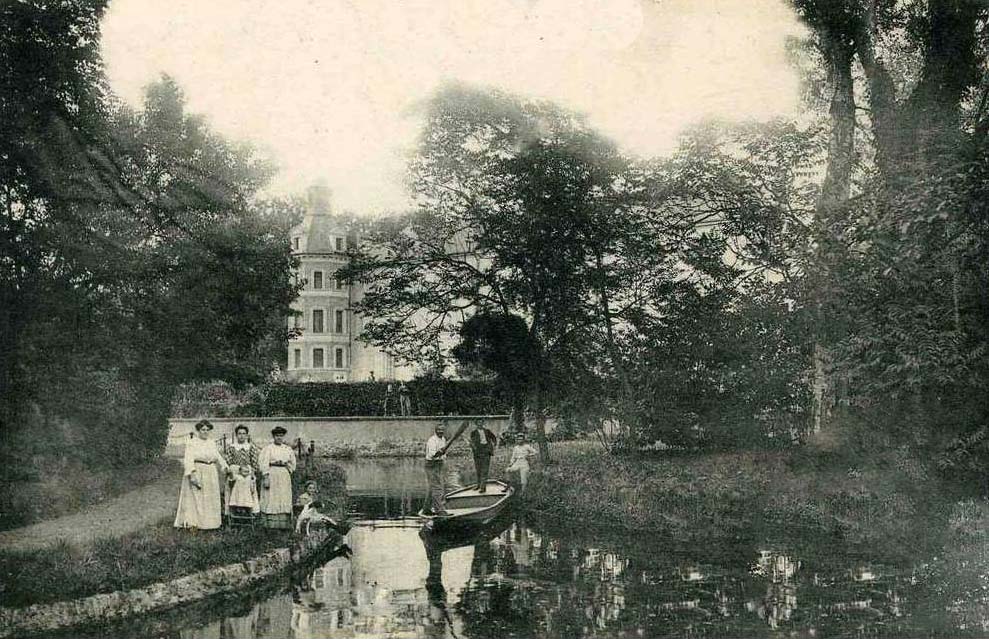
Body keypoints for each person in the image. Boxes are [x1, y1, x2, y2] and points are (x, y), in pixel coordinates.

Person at [174, 419, 230, 530]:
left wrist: (225, 466)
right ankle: (195, 523)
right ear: (198, 430)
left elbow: (218, 456)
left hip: (210, 471)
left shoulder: (211, 442)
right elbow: (188, 459)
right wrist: (192, 473)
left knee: (210, 497)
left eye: (207, 430)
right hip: (198, 470)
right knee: (197, 498)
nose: (205, 432)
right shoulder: (192, 442)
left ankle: (211, 524)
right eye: (202, 430)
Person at [259, 426, 297, 529]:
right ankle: (270, 523)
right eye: (277, 436)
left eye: (281, 436)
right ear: (273, 437)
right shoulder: (268, 449)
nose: (279, 438)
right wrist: (266, 476)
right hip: (272, 473)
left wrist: (288, 469)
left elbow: (293, 463)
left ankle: (284, 524)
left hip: (284, 474)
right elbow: (263, 463)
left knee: (283, 495)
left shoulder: (287, 449)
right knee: (271, 496)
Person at [224, 424, 260, 520]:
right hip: (234, 471)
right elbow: (227, 462)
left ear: (247, 435)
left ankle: (249, 511)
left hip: (248, 472)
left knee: (249, 484)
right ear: (236, 435)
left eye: (244, 433)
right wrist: (233, 471)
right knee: (234, 484)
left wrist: (251, 472)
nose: (242, 436)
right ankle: (232, 511)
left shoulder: (251, 447)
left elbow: (255, 463)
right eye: (239, 433)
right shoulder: (231, 447)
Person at [424, 422, 449, 516]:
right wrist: (439, 453)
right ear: (435, 430)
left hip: (439, 464)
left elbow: (444, 454)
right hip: (431, 464)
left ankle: (426, 509)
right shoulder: (432, 440)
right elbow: (432, 454)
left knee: (432, 487)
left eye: (442, 430)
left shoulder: (443, 439)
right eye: (439, 430)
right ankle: (439, 511)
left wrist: (443, 456)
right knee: (437, 488)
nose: (440, 432)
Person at [468, 420, 498, 492]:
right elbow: (472, 443)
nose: (480, 424)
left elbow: (494, 438)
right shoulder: (473, 433)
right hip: (477, 453)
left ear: (483, 423)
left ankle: (483, 487)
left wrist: (494, 445)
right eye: (478, 422)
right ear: (476, 424)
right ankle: (478, 485)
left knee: (484, 470)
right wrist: (472, 446)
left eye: (481, 422)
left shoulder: (487, 431)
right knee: (478, 469)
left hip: (486, 452)